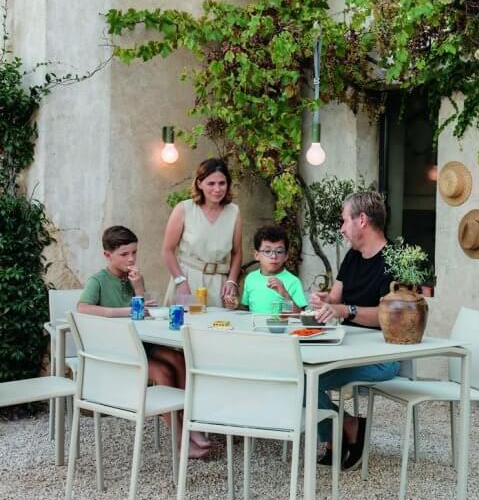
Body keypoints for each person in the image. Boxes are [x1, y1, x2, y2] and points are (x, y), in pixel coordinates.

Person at [77, 226, 211, 458]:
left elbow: (143, 310)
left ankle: (191, 424)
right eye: (124, 254)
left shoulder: (133, 277)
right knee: (163, 373)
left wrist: (138, 286)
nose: (131, 259)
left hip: (143, 343)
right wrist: (119, 312)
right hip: (120, 350)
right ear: (107, 255)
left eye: (134, 253)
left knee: (179, 359)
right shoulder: (98, 281)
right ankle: (179, 438)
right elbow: (82, 308)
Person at [309, 190, 398, 469]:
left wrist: (346, 310)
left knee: (308, 382)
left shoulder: (394, 260)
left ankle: (338, 436)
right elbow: (336, 298)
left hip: (382, 357)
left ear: (362, 220)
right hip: (349, 347)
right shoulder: (353, 256)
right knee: (302, 378)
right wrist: (325, 300)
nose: (342, 228)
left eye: (344, 220)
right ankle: (347, 426)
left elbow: (389, 318)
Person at [162, 158, 242, 309]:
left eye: (222, 183)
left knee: (217, 328)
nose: (217, 189)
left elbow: (237, 253)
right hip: (188, 281)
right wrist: (180, 281)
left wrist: (231, 281)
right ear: (200, 184)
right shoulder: (184, 209)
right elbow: (167, 250)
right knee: (186, 327)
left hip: (219, 284)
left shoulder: (234, 212)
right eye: (211, 183)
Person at [228, 224, 307, 313]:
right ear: (257, 255)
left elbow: (299, 315)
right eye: (267, 251)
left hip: (281, 326)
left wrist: (285, 294)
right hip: (255, 326)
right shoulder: (251, 278)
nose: (273, 256)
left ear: (286, 256)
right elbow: (246, 309)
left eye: (279, 251)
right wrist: (234, 305)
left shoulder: (293, 281)